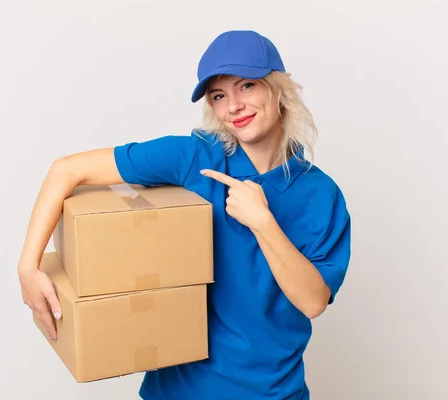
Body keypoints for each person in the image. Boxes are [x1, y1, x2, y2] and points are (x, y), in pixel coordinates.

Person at [18, 30, 351, 400]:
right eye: (219, 96)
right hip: (179, 390)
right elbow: (66, 171)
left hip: (272, 392)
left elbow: (313, 301)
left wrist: (262, 221)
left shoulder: (320, 194)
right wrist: (27, 268)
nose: (233, 107)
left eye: (247, 86)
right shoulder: (196, 158)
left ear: (279, 91)